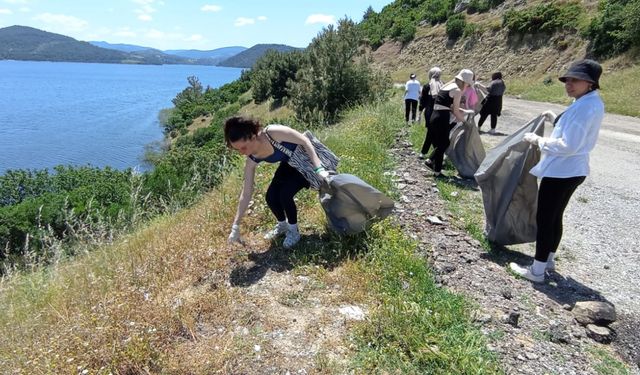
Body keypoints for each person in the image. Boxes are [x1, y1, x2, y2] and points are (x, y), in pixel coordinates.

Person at [510, 59, 604, 283]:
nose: (569, 84)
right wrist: (557, 118)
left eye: (576, 80)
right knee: (555, 216)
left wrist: (538, 140)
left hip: (562, 171)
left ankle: (537, 271)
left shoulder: (585, 107)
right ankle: (547, 260)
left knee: (545, 219)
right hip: (573, 170)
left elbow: (568, 145)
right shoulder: (588, 102)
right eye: (568, 80)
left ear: (590, 83)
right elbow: (572, 131)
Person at [224, 116, 330, 249]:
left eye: (243, 147)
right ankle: (283, 225)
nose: (241, 153)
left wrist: (318, 167)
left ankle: (294, 232)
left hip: (306, 162)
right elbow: (246, 192)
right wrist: (236, 225)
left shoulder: (273, 133)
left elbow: (305, 141)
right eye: (237, 149)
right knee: (271, 197)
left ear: (252, 136)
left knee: (285, 195)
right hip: (289, 164)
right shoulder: (251, 159)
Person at [425, 68, 476, 176]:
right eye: (468, 84)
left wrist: (465, 111)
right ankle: (436, 170)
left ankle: (431, 163)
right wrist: (465, 123)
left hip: (435, 116)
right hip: (442, 118)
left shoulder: (447, 86)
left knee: (442, 143)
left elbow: (449, 106)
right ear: (465, 82)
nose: (467, 86)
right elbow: (456, 112)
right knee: (443, 144)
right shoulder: (457, 90)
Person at [419, 67, 443, 159]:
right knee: (434, 133)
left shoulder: (427, 86)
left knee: (431, 132)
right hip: (440, 112)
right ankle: (436, 154)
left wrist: (419, 113)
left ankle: (428, 153)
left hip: (430, 112)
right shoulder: (443, 85)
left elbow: (423, 101)